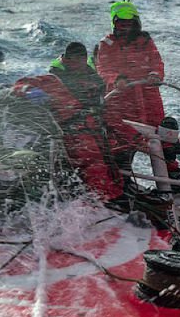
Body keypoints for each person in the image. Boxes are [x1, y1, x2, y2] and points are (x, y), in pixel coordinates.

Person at [12, 42, 122, 201]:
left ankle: (113, 202)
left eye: (80, 59)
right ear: (66, 60)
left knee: (116, 162)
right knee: (94, 173)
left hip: (96, 137)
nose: (77, 63)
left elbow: (108, 114)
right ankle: (100, 207)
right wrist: (28, 91)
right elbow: (20, 83)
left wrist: (137, 139)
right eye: (73, 59)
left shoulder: (94, 82)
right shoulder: (52, 80)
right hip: (69, 139)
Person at [95, 1, 165, 174]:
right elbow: (103, 68)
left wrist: (155, 74)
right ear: (115, 25)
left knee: (163, 141)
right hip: (120, 103)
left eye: (129, 24)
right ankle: (123, 184)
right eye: (122, 25)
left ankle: (172, 187)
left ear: (136, 24)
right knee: (121, 146)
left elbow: (157, 61)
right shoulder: (106, 44)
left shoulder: (146, 41)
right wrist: (116, 79)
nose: (126, 28)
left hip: (149, 102)